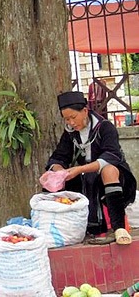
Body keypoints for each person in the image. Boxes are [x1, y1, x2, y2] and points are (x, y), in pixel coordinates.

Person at [46, 91, 137, 245]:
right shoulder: (70, 133)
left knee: (108, 170)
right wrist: (59, 171)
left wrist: (79, 169)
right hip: (87, 180)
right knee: (54, 181)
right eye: (66, 119)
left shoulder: (105, 127)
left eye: (73, 117)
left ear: (85, 111)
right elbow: (58, 157)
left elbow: (111, 156)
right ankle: (70, 229)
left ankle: (119, 227)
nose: (71, 123)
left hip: (117, 180)